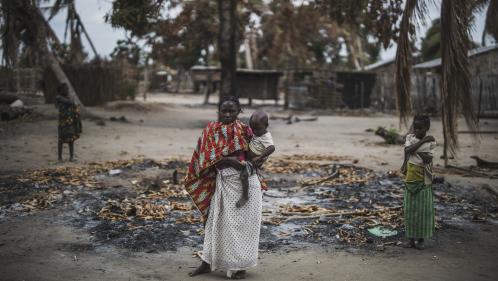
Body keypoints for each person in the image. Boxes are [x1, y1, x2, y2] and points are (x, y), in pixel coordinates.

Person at [185, 96, 263, 279]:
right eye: (224, 111)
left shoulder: (246, 130)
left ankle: (240, 266)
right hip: (223, 183)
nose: (227, 114)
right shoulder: (211, 130)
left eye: (232, 111)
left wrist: (248, 163)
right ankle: (207, 262)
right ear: (218, 111)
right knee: (215, 223)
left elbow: (258, 153)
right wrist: (228, 160)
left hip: (248, 183)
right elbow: (203, 158)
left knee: (244, 226)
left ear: (239, 111)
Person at [401, 114, 436, 249]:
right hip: (410, 179)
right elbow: (407, 150)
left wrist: (414, 150)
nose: (416, 131)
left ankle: (420, 240)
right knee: (409, 210)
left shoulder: (431, 142)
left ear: (426, 128)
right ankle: (410, 240)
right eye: (415, 128)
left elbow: (428, 159)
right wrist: (422, 143)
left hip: (423, 181)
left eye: (420, 128)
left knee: (422, 212)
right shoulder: (411, 138)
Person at [237, 110, 275, 208]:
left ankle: (245, 196)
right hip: (248, 156)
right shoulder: (257, 131)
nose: (255, 132)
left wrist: (260, 157)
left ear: (266, 125)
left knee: (244, 175)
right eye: (253, 129)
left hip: (253, 160)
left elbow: (271, 148)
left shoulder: (266, 136)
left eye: (257, 129)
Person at [55, 83, 82, 162]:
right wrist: (73, 102)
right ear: (60, 90)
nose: (67, 90)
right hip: (62, 122)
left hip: (70, 122)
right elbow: (69, 102)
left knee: (71, 139)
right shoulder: (59, 97)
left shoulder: (68, 98)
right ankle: (59, 158)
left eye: (67, 89)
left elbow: (71, 103)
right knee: (61, 139)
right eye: (65, 89)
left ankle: (71, 157)